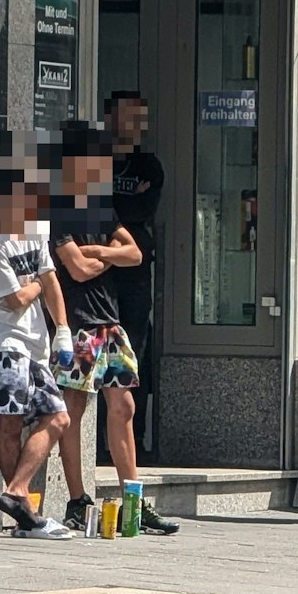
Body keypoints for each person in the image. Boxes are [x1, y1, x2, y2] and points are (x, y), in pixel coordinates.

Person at [49, 120, 177, 537]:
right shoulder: (58, 209)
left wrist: (101, 250)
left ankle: (134, 501)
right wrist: (108, 257)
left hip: (111, 322)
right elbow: (79, 270)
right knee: (73, 410)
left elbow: (135, 253)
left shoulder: (101, 208)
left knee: (123, 407)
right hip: (81, 322)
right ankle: (76, 498)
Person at [0, 169, 76, 539]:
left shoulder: (36, 227)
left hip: (35, 344)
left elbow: (49, 280)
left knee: (58, 418)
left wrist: (62, 330)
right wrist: (33, 286)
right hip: (0, 344)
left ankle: (16, 492)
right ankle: (24, 516)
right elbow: (13, 300)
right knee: (9, 423)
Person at [107, 93, 164, 460]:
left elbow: (142, 209)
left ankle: (135, 440)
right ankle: (99, 441)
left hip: (136, 274)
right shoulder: (95, 160)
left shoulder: (150, 165)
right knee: (97, 358)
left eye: (140, 118)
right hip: (97, 277)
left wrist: (117, 206)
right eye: (128, 116)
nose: (135, 125)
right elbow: (92, 206)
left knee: (133, 356)